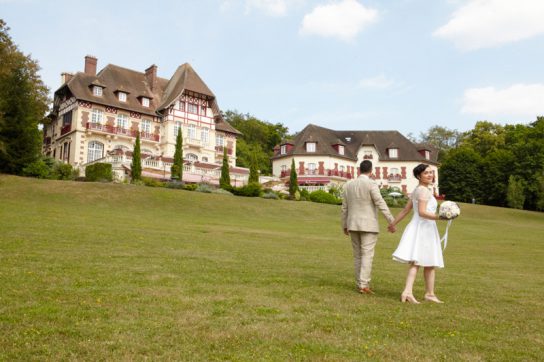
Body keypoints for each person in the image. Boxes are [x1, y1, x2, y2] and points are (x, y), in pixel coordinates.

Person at [388, 163, 445, 304]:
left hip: (422, 227)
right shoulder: (424, 191)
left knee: (429, 262)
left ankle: (429, 294)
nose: (430, 175)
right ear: (419, 176)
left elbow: (405, 210)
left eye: (431, 172)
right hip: (423, 228)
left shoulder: (417, 190)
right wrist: (441, 217)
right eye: (426, 173)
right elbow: (422, 212)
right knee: (417, 261)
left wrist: (393, 224)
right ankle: (408, 292)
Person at [341, 160, 395, 294]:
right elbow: (380, 202)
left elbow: (344, 207)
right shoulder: (371, 183)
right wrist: (391, 220)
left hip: (352, 223)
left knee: (358, 255)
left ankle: (360, 283)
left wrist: (344, 225)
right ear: (371, 171)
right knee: (367, 255)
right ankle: (364, 285)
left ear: (359, 170)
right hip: (368, 224)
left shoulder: (348, 185)